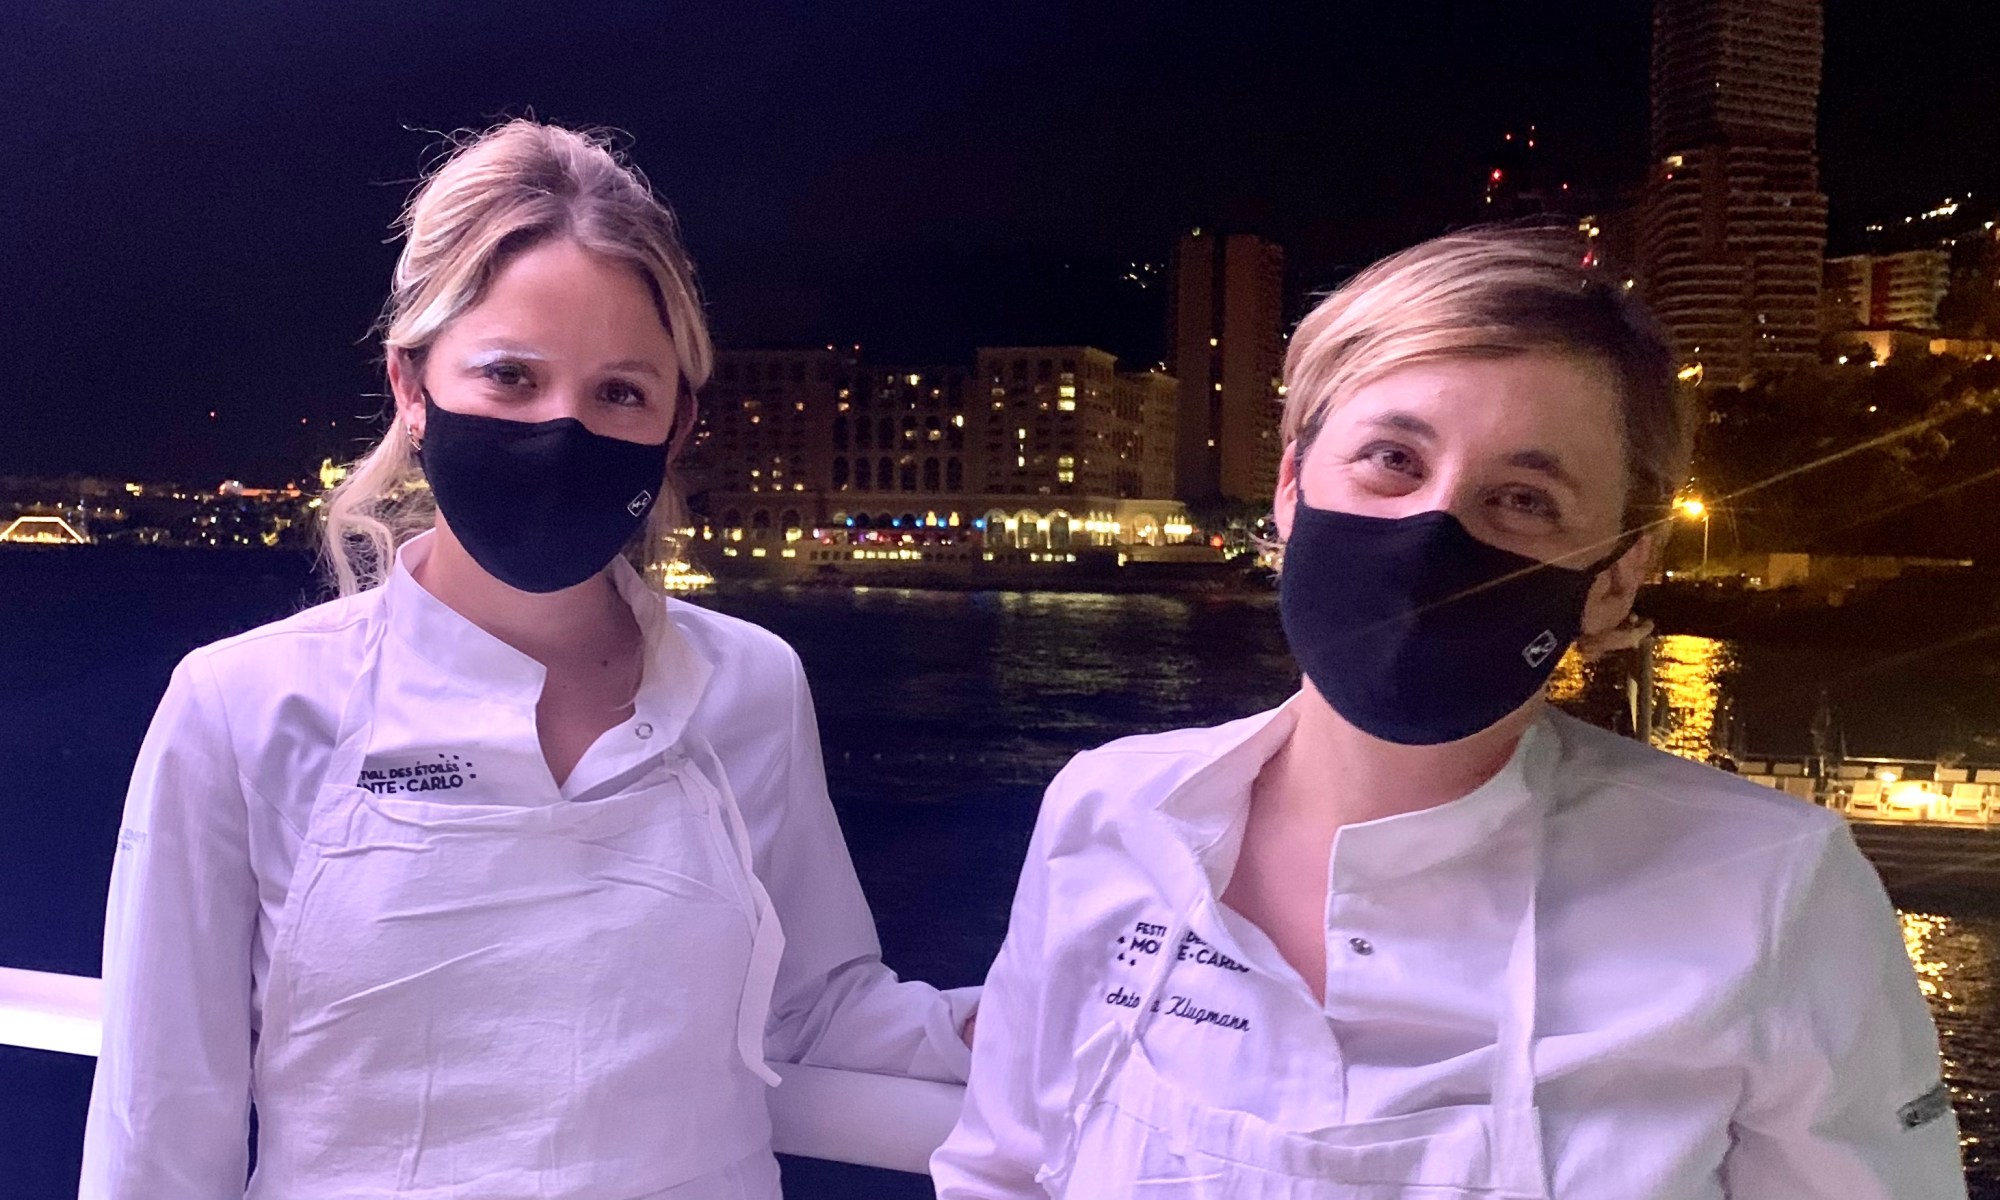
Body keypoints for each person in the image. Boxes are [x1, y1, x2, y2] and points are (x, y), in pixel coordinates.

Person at [932, 228, 1964, 1198]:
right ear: (1290, 487)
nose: (1432, 532)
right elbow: (1003, 1169)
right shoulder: (1110, 810)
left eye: (1523, 499)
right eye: (1392, 458)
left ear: (1614, 576)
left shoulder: (1773, 889)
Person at [82, 119, 975, 1200]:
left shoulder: (751, 684)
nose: (563, 428)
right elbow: (160, 1130)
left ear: (676, 423)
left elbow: (813, 1006)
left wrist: (1039, 1016)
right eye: (510, 376)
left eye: (619, 392)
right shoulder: (244, 708)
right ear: (412, 388)